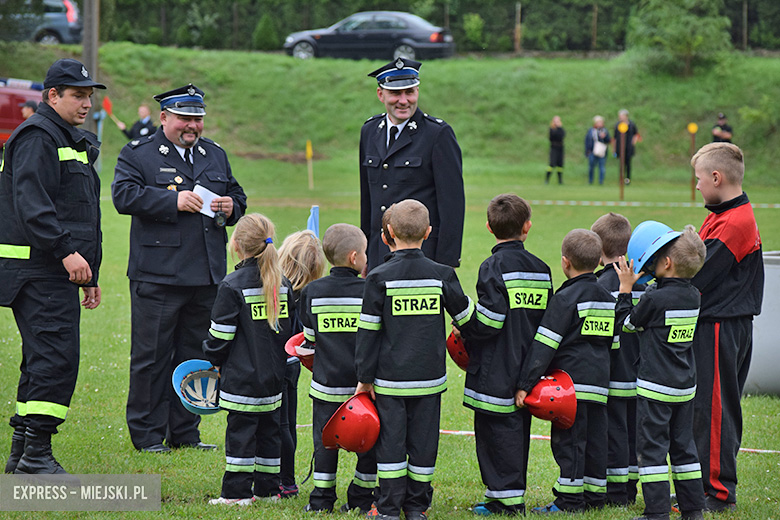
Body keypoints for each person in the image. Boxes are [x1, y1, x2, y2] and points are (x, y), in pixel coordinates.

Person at [112, 83, 247, 453]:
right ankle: (147, 434)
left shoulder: (214, 154)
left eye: (197, 119)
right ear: (165, 118)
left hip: (206, 274)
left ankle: (185, 431)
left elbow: (239, 197)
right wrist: (171, 201)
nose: (192, 126)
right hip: (158, 275)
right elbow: (122, 196)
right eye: (185, 119)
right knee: (152, 357)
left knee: (196, 354)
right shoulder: (139, 153)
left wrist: (230, 207)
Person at [0, 58, 105, 474]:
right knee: (55, 359)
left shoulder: (66, 138)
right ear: (52, 96)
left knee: (41, 359)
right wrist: (65, 253)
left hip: (53, 269)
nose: (86, 104)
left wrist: (88, 272)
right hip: (38, 270)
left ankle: (21, 453)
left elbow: (79, 213)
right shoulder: (38, 136)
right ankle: (36, 458)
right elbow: (34, 206)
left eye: (88, 96)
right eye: (77, 95)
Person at [355, 199, 474, 520]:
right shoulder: (442, 274)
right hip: (429, 379)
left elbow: (367, 334)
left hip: (390, 382)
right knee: (423, 444)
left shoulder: (378, 278)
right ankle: (417, 507)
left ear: (388, 233)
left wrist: (364, 378)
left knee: (391, 445)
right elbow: (465, 318)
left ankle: (389, 509)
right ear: (429, 233)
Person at [457, 194, 553, 516]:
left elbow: (490, 322)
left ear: (488, 227)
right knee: (517, 430)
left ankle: (506, 501)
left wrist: (463, 321)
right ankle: (506, 494)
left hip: (495, 368)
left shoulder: (492, 266)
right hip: (529, 366)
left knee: (493, 433)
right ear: (527, 227)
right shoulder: (542, 269)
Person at [516, 229, 616, 514]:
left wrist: (525, 383)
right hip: (599, 385)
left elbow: (544, 344)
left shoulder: (565, 298)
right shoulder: (607, 297)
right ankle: (594, 496)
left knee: (569, 443)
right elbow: (614, 342)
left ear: (565, 262)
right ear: (599, 261)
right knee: (596, 441)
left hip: (568, 389)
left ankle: (570, 501)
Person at [614, 225, 707, 520]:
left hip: (656, 388)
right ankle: (693, 510)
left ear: (666, 264)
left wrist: (626, 289)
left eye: (657, 259)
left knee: (652, 451)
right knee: (684, 449)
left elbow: (628, 324)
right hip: (684, 387)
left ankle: (656, 512)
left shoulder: (654, 300)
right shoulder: (694, 296)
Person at [690, 143, 763, 513]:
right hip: (718, 324)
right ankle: (705, 485)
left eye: (699, 179)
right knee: (706, 407)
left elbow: (697, 274)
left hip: (721, 325)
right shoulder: (722, 214)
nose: (697, 186)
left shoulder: (734, 222)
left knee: (714, 410)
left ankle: (717, 492)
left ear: (716, 178)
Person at [202, 213, 294, 505]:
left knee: (240, 436)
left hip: (242, 380)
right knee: (270, 435)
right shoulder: (284, 284)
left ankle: (236, 494)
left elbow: (221, 336)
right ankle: (267, 492)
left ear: (237, 245)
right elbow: (289, 333)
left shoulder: (232, 285)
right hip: (274, 379)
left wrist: (211, 356)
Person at [360, 58, 464, 272]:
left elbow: (452, 205)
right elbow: (368, 201)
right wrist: (365, 254)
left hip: (424, 255)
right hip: (380, 255)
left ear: (417, 91)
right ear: (381, 95)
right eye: (396, 93)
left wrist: (446, 262)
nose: (404, 100)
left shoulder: (437, 134)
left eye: (410, 92)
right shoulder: (370, 131)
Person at [299, 223, 376, 514]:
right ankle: (362, 496)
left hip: (326, 387)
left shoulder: (312, 292)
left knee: (325, 441)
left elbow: (308, 341)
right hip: (362, 389)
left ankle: (321, 499)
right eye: (366, 254)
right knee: (368, 441)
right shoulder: (370, 291)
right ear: (355, 258)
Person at [591, 212, 643, 505]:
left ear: (598, 248)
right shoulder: (645, 283)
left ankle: (615, 493)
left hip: (610, 373)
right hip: (640, 373)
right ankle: (631, 490)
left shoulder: (598, 287)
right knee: (635, 433)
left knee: (613, 433)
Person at [277, 229, 327, 499]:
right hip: (292, 365)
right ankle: (288, 481)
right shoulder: (309, 295)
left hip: (270, 366)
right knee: (288, 425)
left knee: (273, 424)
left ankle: (273, 479)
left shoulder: (273, 288)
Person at [613, 109, 640, 185]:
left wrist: (633, 142)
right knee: (621, 165)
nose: (620, 117)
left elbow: (636, 134)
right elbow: (615, 137)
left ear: (626, 116)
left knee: (628, 165)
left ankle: (627, 181)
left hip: (629, 148)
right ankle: (621, 180)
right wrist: (614, 148)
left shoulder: (631, 124)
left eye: (621, 116)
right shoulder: (617, 125)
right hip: (620, 148)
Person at [585, 116, 610, 185]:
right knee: (591, 167)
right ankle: (590, 181)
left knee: (602, 167)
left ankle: (601, 181)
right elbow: (587, 141)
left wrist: (604, 137)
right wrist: (587, 151)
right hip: (592, 151)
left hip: (601, 152)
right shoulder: (591, 131)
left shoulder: (604, 131)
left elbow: (608, 140)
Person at [546, 116, 565, 184]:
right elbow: (553, 137)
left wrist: (559, 127)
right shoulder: (552, 129)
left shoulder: (561, 129)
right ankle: (547, 180)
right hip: (554, 148)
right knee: (552, 164)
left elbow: (562, 135)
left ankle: (560, 181)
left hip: (560, 148)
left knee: (560, 165)